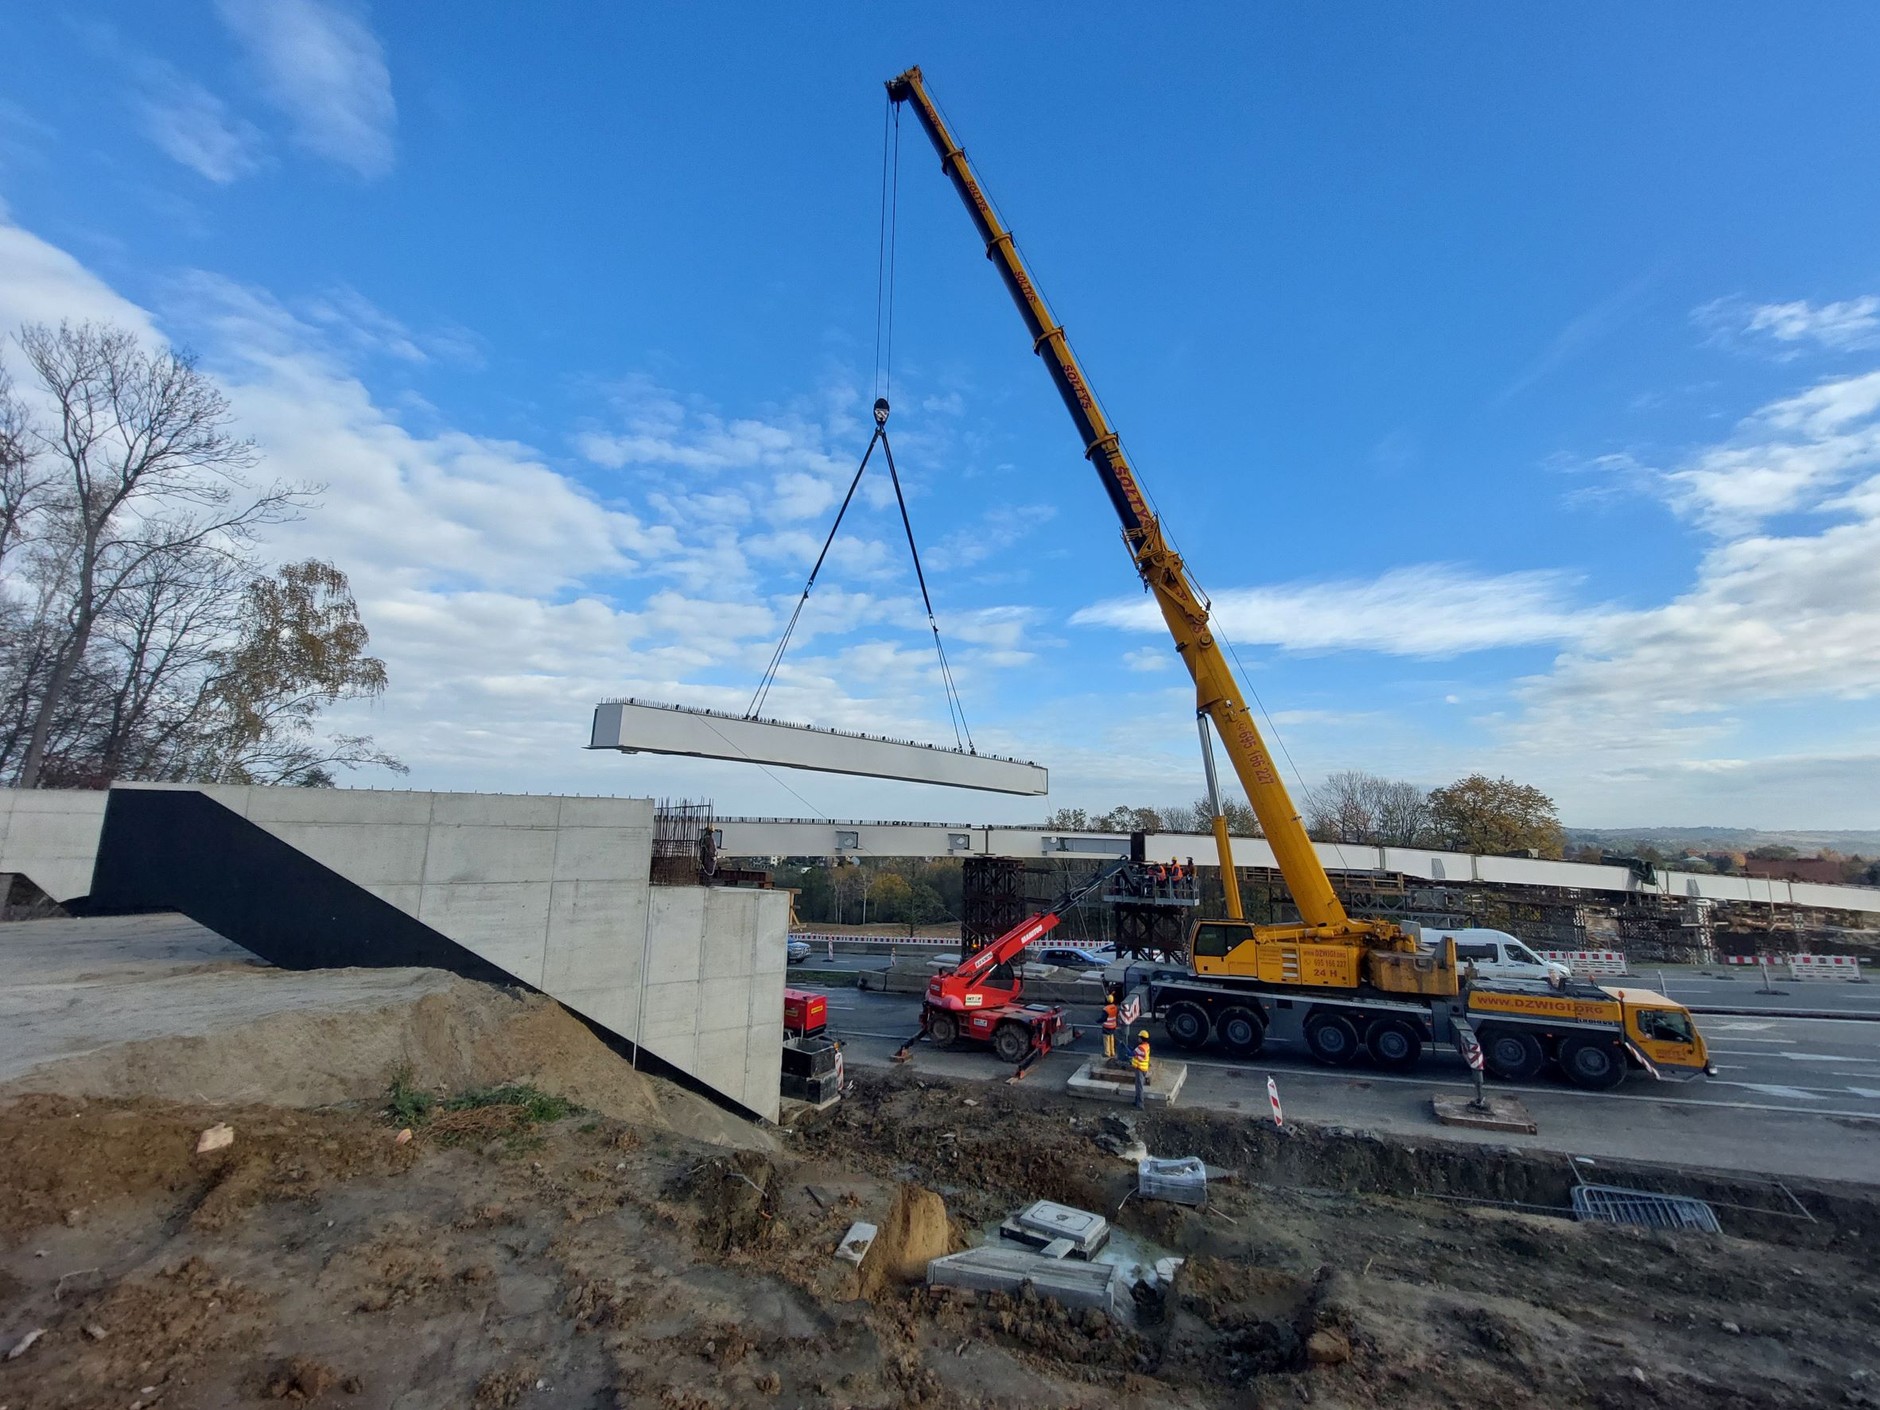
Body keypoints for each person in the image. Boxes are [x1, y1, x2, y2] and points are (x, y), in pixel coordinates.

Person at [1130, 1029, 1152, 1108]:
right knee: (1138, 1086)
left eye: (1139, 1037)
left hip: (1140, 1069)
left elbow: (1132, 1053)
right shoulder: (1146, 1046)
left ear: (1142, 1038)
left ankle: (1140, 1104)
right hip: (1143, 1068)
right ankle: (1137, 1102)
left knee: (1139, 1087)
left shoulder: (1141, 1048)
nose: (1138, 1038)